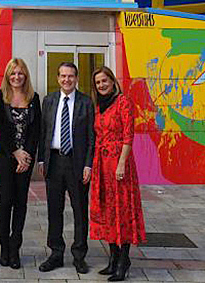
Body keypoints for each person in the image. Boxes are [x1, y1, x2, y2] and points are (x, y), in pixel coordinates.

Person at [37, 61, 95, 274]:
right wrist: (41, 160)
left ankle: (79, 255)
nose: (66, 80)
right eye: (63, 76)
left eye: (70, 76)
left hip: (76, 163)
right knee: (54, 210)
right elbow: (43, 132)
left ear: (76, 78)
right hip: (54, 162)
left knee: (80, 210)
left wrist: (88, 164)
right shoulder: (49, 100)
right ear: (58, 78)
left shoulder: (86, 102)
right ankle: (56, 253)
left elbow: (91, 137)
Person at [88, 66, 146, 281]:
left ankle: (123, 260)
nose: (101, 85)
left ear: (113, 81)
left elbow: (128, 136)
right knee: (107, 210)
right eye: (98, 82)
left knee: (122, 210)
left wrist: (121, 164)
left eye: (104, 80)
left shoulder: (123, 102)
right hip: (101, 165)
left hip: (119, 164)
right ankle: (113, 258)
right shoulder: (98, 107)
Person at [0, 58, 41, 269]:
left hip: (25, 159)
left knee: (21, 202)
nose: (16, 77)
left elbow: (36, 129)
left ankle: (15, 248)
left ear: (25, 75)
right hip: (4, 156)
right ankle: (4, 247)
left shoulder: (34, 98)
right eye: (13, 73)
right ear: (7, 76)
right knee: (5, 201)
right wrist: (15, 152)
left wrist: (26, 155)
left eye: (20, 73)